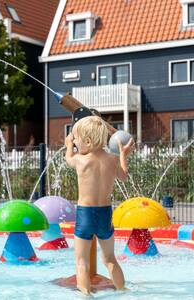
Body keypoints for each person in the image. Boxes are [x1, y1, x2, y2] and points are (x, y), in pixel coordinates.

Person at [65, 116, 134, 296]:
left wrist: (67, 146)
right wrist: (123, 155)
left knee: (82, 262)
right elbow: (124, 176)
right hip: (105, 213)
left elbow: (68, 159)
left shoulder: (81, 160)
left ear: (88, 141)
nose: (75, 143)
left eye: (76, 139)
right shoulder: (112, 159)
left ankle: (86, 295)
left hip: (85, 214)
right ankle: (123, 291)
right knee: (110, 259)